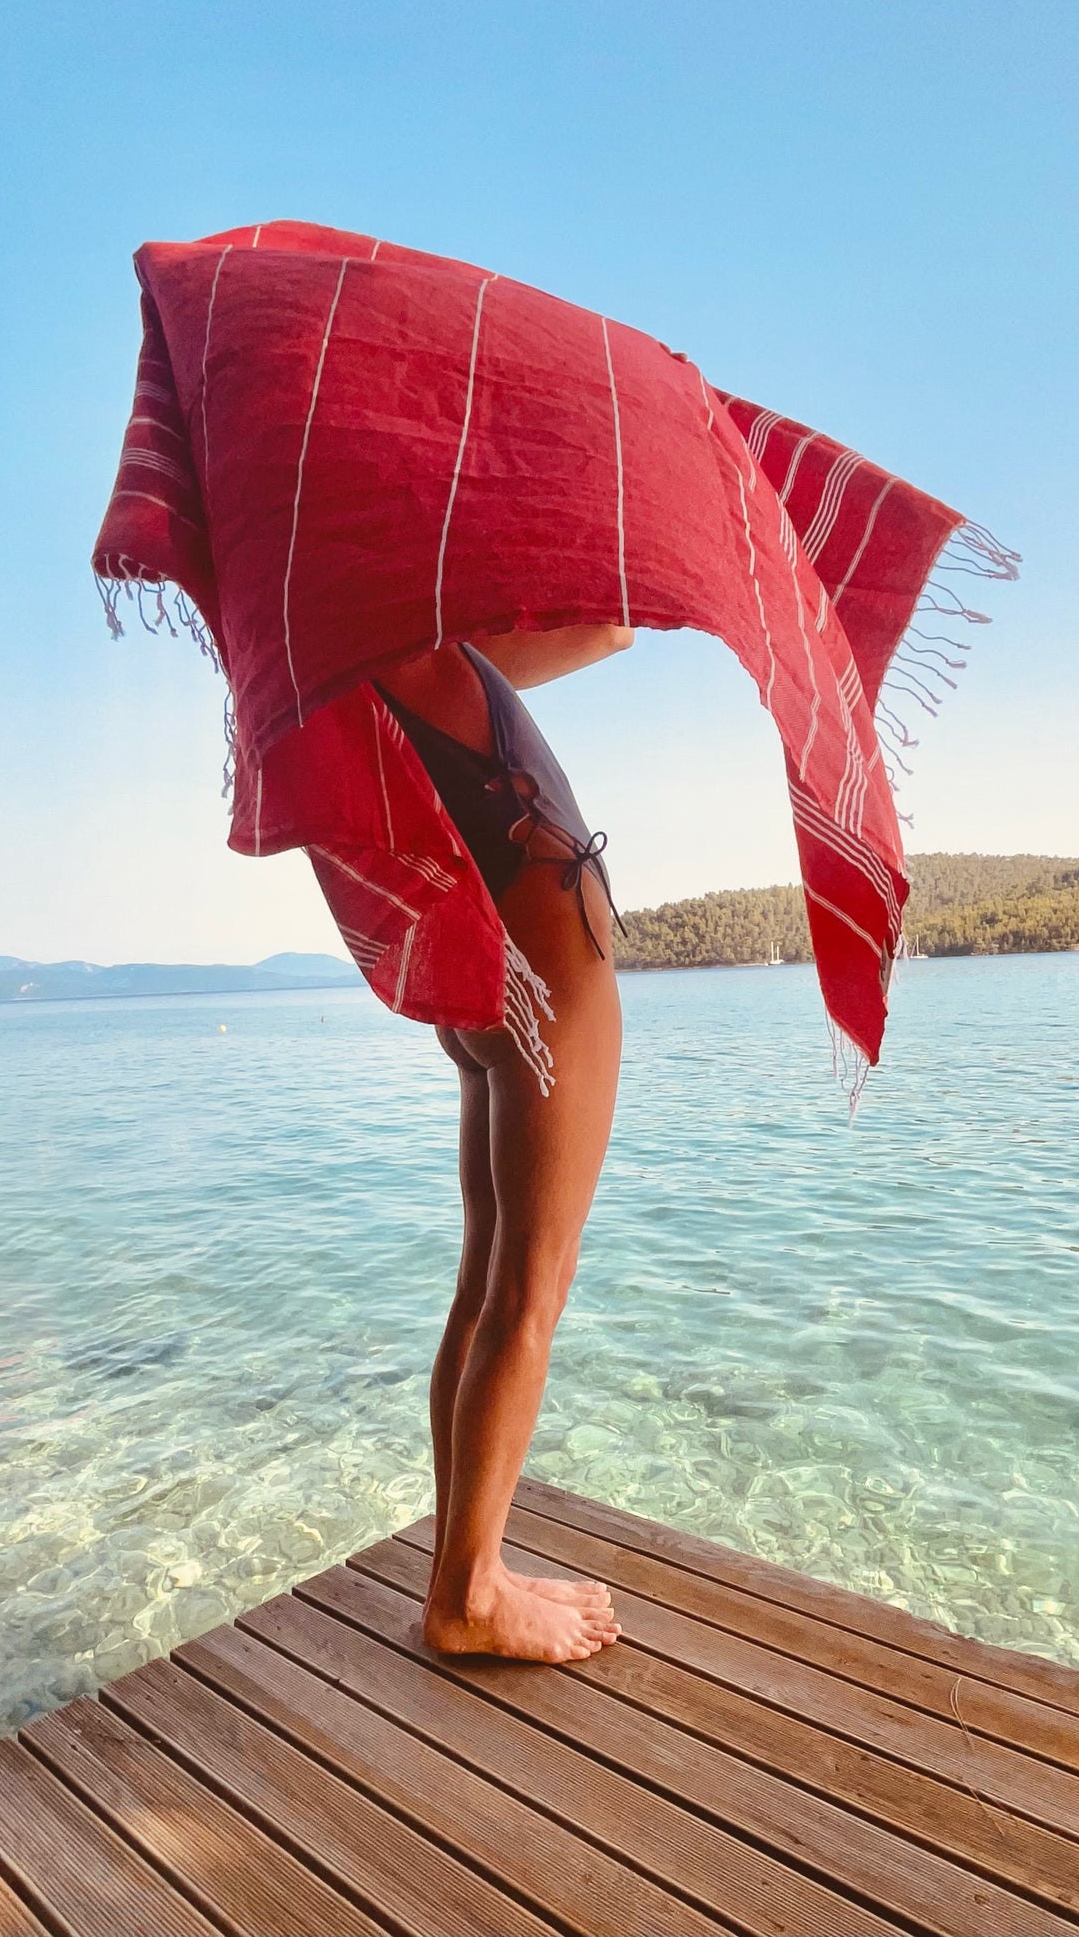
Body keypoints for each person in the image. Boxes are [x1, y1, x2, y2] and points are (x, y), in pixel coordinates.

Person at [374, 623, 631, 1663]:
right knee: (531, 1285)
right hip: (540, 963)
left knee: (487, 1281)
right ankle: (467, 1595)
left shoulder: (385, 647)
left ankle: (464, 1561)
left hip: (493, 965)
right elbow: (610, 616)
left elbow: (583, 635)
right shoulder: (393, 620)